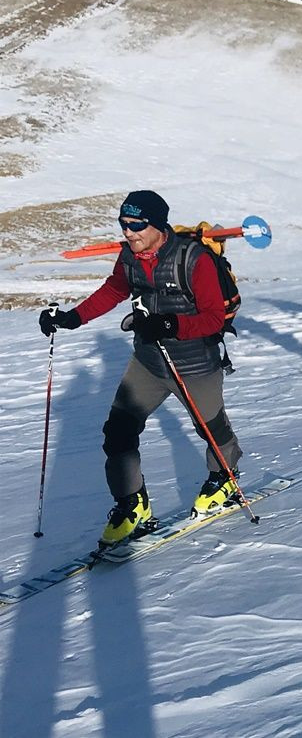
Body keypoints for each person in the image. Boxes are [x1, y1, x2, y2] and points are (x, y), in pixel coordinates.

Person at [37, 190, 243, 546]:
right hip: (149, 362)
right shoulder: (129, 257)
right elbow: (113, 289)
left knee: (211, 429)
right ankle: (132, 505)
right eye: (124, 224)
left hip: (195, 364)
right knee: (117, 432)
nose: (129, 232)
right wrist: (72, 318)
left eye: (137, 225)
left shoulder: (194, 260)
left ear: (158, 224)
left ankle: (224, 477)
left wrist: (171, 326)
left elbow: (212, 318)